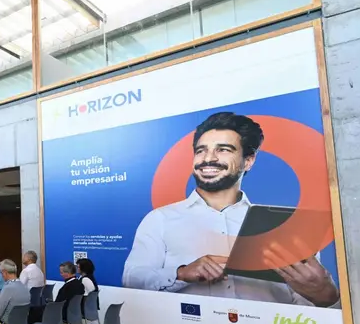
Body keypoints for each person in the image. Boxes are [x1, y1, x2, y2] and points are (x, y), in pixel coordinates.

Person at [122, 112, 340, 307]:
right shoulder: (160, 219)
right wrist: (181, 273)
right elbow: (131, 279)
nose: (208, 158)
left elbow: (308, 304)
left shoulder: (286, 226)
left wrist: (324, 294)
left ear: (248, 161)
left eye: (223, 150)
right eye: (201, 150)